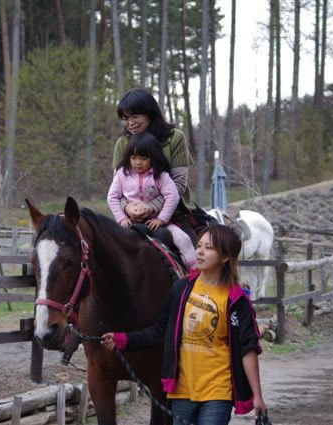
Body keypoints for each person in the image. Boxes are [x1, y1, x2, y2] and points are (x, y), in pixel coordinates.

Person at [101, 224, 267, 425]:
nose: (200, 251)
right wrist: (123, 339)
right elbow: (161, 330)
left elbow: (247, 349)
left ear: (225, 257)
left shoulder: (236, 300)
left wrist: (257, 395)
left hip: (218, 392)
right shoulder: (181, 288)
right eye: (199, 246)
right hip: (181, 392)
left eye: (209, 247)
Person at [113, 88, 199, 243]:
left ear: (150, 113)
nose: (130, 123)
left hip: (173, 213)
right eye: (125, 118)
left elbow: (179, 183)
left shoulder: (175, 138)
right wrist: (127, 208)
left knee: (196, 248)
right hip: (131, 216)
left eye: (135, 116)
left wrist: (151, 207)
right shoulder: (122, 143)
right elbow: (117, 186)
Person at [107, 132, 197, 269]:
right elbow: (112, 197)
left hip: (157, 222)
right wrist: (121, 219)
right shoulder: (122, 174)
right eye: (133, 158)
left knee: (183, 239)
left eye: (143, 158)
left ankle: (195, 274)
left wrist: (161, 219)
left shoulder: (160, 175)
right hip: (129, 221)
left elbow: (173, 196)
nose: (137, 162)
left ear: (153, 158)